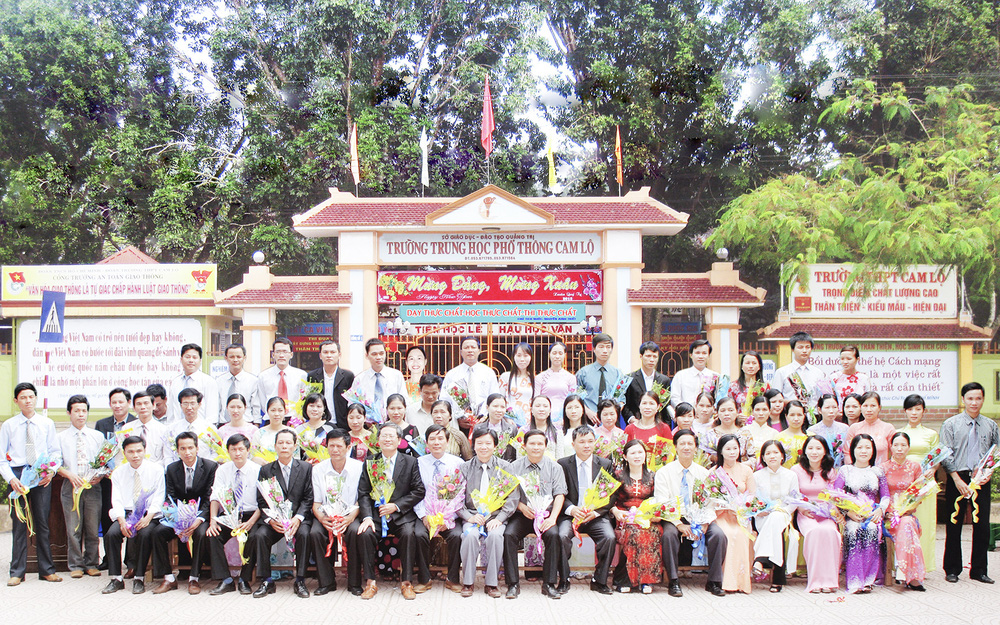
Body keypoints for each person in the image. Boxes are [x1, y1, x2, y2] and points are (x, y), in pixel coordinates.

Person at [654, 429, 727, 597]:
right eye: (682, 444)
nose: (686, 447)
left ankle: (714, 581)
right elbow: (662, 502)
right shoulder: (664, 473)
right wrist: (679, 524)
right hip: (674, 517)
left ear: (695, 448)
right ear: (675, 447)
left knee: (718, 535)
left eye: (690, 444)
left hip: (700, 517)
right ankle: (673, 581)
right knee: (668, 535)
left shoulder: (704, 473)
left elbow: (710, 502)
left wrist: (705, 522)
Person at [1, 382, 61, 586]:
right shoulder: (9, 425)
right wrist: (11, 479)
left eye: (30, 397)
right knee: (19, 524)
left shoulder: (46, 423)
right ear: (16, 401)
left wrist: (51, 471)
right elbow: (1, 458)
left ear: (35, 398)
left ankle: (47, 570)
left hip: (40, 475)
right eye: (23, 397)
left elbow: (55, 452)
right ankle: (17, 572)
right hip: (18, 476)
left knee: (43, 523)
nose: (27, 401)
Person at [357, 423, 427, 600]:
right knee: (365, 533)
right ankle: (370, 582)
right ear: (378, 440)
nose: (387, 439)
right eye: (384, 436)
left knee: (409, 534)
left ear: (399, 440)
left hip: (401, 515)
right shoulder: (371, 461)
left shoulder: (410, 462)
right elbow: (363, 492)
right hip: (377, 515)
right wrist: (367, 517)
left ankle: (407, 582)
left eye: (391, 436)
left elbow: (418, 490)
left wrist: (396, 506)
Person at [940, 381, 999, 584]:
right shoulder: (951, 424)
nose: (974, 402)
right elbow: (945, 454)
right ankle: (952, 568)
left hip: (981, 479)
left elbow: (995, 452)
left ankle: (979, 570)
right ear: (963, 399)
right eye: (970, 398)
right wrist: (956, 479)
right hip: (958, 477)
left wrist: (989, 472)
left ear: (983, 400)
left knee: (981, 525)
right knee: (954, 523)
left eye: (978, 398)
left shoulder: (991, 425)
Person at [248, 428, 313, 598]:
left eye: (288, 443)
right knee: (260, 535)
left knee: (305, 534)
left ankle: (300, 580)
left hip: (298, 519)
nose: (284, 446)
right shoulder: (266, 470)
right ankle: (266, 580)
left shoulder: (306, 468)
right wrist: (271, 520)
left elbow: (308, 498)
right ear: (275, 446)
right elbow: (262, 500)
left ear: (295, 446)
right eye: (281, 443)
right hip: (275, 521)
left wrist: (298, 518)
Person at [150, 432, 218, 594]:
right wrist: (177, 523)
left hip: (200, 517)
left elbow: (209, 498)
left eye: (190, 448)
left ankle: (194, 578)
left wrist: (198, 520)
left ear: (197, 448)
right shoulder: (172, 469)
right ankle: (169, 578)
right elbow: (170, 497)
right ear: (177, 451)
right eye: (183, 449)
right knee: (158, 532)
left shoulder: (210, 467)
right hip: (178, 517)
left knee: (201, 534)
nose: (187, 452)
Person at [504, 428, 567, 599]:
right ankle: (513, 583)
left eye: (540, 444)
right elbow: (507, 494)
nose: (536, 447)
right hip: (523, 514)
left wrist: (553, 518)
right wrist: (521, 507)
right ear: (524, 446)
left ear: (546, 446)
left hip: (546, 515)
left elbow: (559, 494)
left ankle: (549, 583)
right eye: (532, 443)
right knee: (509, 535)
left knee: (553, 535)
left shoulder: (555, 467)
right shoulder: (514, 467)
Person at [457, 425, 517, 598]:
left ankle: (492, 583)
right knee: (469, 536)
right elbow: (456, 498)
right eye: (480, 443)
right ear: (474, 445)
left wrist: (500, 518)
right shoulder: (464, 467)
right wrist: (469, 517)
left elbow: (513, 497)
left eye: (488, 443)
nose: (484, 447)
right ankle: (468, 582)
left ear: (495, 446)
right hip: (472, 515)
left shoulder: (505, 467)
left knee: (495, 537)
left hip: (495, 516)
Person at [556, 425, 616, 595]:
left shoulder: (605, 464)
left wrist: (595, 512)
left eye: (590, 441)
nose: (586, 445)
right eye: (582, 442)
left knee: (609, 537)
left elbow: (611, 494)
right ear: (573, 444)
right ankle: (564, 579)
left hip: (595, 515)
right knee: (561, 536)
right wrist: (571, 509)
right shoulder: (563, 464)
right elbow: (558, 492)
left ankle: (599, 580)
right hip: (570, 515)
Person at [102, 435, 165, 594]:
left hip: (149, 514)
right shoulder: (118, 472)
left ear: (144, 451)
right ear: (124, 453)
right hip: (127, 514)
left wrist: (148, 517)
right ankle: (116, 578)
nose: (135, 455)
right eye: (130, 452)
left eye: (138, 451)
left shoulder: (156, 470)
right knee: (111, 534)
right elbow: (116, 499)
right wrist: (121, 521)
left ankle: (139, 578)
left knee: (144, 534)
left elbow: (159, 497)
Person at [308, 428, 364, 596]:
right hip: (326, 514)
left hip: (351, 514)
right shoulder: (318, 469)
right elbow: (316, 502)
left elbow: (362, 498)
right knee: (315, 533)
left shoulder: (359, 467)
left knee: (355, 531)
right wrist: (322, 518)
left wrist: (350, 517)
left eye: (339, 446)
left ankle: (354, 582)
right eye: (331, 446)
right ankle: (326, 582)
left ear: (348, 447)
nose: (335, 450)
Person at [56, 395, 105, 579]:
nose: (81, 414)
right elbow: (55, 464)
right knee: (73, 528)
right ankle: (75, 564)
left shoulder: (97, 436)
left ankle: (92, 563)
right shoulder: (60, 437)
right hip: (71, 487)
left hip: (92, 487)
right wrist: (68, 474)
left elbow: (104, 462)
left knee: (92, 528)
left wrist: (100, 476)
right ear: (69, 413)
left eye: (84, 411)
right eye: (76, 411)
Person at [206, 433, 260, 595]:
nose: (237, 453)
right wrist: (213, 521)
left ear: (248, 450)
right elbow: (215, 496)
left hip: (252, 515)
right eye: (233, 449)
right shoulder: (222, 470)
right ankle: (226, 580)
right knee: (212, 534)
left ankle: (244, 579)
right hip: (229, 515)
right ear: (228, 451)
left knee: (255, 536)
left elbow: (264, 502)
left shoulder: (257, 470)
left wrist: (251, 522)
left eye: (241, 449)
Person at [413, 424, 465, 594]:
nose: (436, 442)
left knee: (457, 536)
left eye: (440, 438)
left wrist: (448, 517)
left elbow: (461, 493)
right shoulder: (418, 463)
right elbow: (415, 492)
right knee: (419, 535)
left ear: (447, 441)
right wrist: (424, 516)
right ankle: (424, 579)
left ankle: (453, 578)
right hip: (426, 514)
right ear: (427, 443)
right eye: (432, 439)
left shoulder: (458, 463)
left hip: (450, 516)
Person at [834, 433, 888, 593]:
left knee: (871, 530)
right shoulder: (845, 470)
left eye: (867, 447)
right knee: (853, 530)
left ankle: (868, 580)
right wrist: (847, 512)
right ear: (853, 450)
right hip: (852, 515)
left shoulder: (878, 471)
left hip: (872, 514)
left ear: (873, 451)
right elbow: (836, 495)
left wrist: (880, 509)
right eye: (859, 447)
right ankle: (854, 581)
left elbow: (885, 496)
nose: (863, 451)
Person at [611, 439, 661, 594]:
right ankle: (624, 579)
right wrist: (616, 511)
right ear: (625, 456)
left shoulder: (653, 476)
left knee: (652, 532)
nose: (637, 456)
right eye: (633, 453)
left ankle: (646, 580)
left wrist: (652, 515)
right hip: (624, 516)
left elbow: (658, 500)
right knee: (633, 532)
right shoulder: (618, 475)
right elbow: (608, 500)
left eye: (640, 452)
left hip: (647, 517)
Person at [95, 387, 138, 566]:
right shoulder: (102, 424)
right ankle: (109, 558)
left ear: (128, 403)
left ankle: (130, 559)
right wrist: (104, 469)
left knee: (131, 516)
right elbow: (100, 452)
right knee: (108, 516)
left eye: (121, 402)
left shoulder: (135, 423)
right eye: (114, 402)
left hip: (130, 478)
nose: (117, 405)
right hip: (108, 479)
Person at [792, 435, 841, 593]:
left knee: (831, 532)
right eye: (811, 448)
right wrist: (801, 508)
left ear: (825, 451)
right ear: (804, 451)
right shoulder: (796, 470)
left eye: (818, 448)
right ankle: (815, 581)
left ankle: (829, 581)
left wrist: (831, 510)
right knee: (815, 532)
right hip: (805, 513)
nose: (814, 452)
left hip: (826, 514)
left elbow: (834, 496)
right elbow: (793, 494)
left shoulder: (831, 472)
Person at [880, 432, 926, 590]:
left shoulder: (915, 467)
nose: (899, 449)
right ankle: (908, 575)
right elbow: (880, 494)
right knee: (906, 525)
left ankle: (904, 571)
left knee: (907, 523)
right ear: (890, 447)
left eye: (903, 445)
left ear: (909, 447)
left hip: (907, 513)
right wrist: (888, 512)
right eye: (896, 445)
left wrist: (908, 508)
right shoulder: (883, 468)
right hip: (888, 515)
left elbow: (919, 493)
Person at [899, 393, 939, 571]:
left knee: (925, 523)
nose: (914, 413)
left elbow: (937, 458)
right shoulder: (899, 433)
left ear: (924, 411)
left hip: (924, 482)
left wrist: (933, 470)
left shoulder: (931, 434)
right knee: (904, 523)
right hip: (905, 483)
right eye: (910, 409)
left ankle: (924, 565)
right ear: (905, 411)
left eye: (918, 409)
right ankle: (904, 564)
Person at [712, 434, 755, 593]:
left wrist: (743, 507)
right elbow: (709, 499)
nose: (732, 452)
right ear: (721, 451)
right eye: (728, 449)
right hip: (721, 515)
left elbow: (753, 495)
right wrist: (724, 506)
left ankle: (741, 582)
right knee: (729, 535)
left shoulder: (746, 470)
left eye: (735, 448)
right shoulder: (715, 472)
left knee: (742, 535)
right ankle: (727, 582)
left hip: (741, 516)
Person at [752, 440, 797, 592]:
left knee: (777, 518)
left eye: (775, 452)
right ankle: (777, 579)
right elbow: (752, 500)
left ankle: (760, 560)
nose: (772, 456)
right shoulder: (757, 476)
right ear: (763, 457)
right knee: (775, 528)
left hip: (783, 515)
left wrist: (783, 511)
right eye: (768, 453)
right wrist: (758, 511)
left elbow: (794, 501)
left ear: (782, 456)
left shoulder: (791, 475)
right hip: (763, 517)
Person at [442, 337, 501, 433]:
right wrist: (456, 418)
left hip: (484, 423)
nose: (470, 350)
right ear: (461, 352)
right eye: (466, 347)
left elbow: (495, 398)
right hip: (458, 425)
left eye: (473, 347)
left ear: (479, 350)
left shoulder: (488, 373)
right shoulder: (452, 375)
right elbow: (445, 401)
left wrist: (486, 417)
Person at [772, 332, 828, 420]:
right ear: (793, 349)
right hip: (791, 417)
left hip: (814, 418)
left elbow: (821, 398)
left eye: (807, 347)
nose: (804, 350)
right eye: (800, 347)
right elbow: (774, 399)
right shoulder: (782, 372)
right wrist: (793, 402)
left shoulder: (818, 373)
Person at [352, 338, 407, 421]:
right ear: (366, 355)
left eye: (381, 353)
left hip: (393, 422)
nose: (378, 357)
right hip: (367, 423)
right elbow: (353, 404)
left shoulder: (396, 375)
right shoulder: (359, 379)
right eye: (374, 354)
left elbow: (404, 400)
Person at [307, 339, 355, 430]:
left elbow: (352, 401)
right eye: (325, 352)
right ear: (320, 356)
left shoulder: (348, 376)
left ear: (339, 355)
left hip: (342, 424)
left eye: (332, 352)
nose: (329, 355)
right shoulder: (312, 376)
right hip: (319, 423)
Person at [256, 338, 309, 420]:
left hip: (294, 419)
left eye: (285, 352)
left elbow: (304, 399)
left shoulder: (301, 375)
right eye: (278, 352)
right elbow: (262, 401)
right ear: (273, 354)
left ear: (291, 354)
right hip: (271, 418)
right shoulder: (263, 376)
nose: (281, 355)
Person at [166, 343, 220, 423]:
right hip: (178, 428)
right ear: (181, 359)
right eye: (187, 357)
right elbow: (171, 412)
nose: (191, 360)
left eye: (194, 357)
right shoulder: (175, 382)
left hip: (200, 428)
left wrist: (206, 429)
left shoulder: (208, 381)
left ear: (200, 360)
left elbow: (212, 413)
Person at [575, 333, 622, 424]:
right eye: (601, 347)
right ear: (594, 349)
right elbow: (577, 397)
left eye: (608, 347)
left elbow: (621, 398)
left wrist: (611, 413)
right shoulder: (583, 373)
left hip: (611, 421)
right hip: (588, 419)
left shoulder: (617, 374)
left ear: (612, 350)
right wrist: (587, 412)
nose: (605, 351)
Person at [622, 341, 670, 427]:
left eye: (655, 356)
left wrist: (665, 426)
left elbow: (666, 407)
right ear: (641, 356)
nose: (651, 360)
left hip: (657, 425)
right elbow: (625, 404)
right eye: (648, 356)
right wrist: (632, 419)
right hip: (636, 423)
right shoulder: (630, 378)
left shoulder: (664, 380)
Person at [119, 390, 170, 466]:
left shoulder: (163, 430)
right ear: (134, 408)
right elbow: (120, 455)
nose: (143, 407)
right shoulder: (126, 428)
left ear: (153, 405)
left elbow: (167, 457)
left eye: (146, 403)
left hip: (156, 470)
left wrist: (151, 469)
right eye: (139, 404)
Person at [845, 391, 895, 466]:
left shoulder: (888, 428)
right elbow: (847, 453)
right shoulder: (854, 428)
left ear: (879, 407)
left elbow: (895, 453)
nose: (869, 409)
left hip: (881, 470)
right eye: (865, 406)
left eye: (873, 406)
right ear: (861, 407)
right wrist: (853, 469)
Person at [216, 343, 260, 425]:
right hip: (224, 424)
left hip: (246, 424)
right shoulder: (218, 381)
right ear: (226, 358)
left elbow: (256, 406)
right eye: (231, 357)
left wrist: (256, 424)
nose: (235, 360)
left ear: (244, 358)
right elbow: (216, 406)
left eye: (238, 357)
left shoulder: (253, 381)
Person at [534, 340, 578, 424]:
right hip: (544, 417)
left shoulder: (571, 378)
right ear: (549, 354)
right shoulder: (540, 377)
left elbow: (572, 401)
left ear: (565, 355)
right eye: (554, 353)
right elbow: (536, 400)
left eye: (560, 353)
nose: (557, 356)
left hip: (564, 418)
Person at [703, 397, 755, 465]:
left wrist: (737, 467)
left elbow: (753, 458)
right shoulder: (710, 435)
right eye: (723, 410)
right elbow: (703, 459)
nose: (726, 413)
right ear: (717, 413)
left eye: (730, 410)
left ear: (737, 412)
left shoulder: (745, 433)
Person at [167, 388, 215, 461]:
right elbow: (168, 455)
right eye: (185, 404)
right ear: (181, 405)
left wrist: (207, 466)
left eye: (192, 403)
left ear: (199, 405)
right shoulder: (172, 429)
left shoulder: (210, 428)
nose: (189, 407)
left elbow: (215, 453)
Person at [669, 339, 718, 408]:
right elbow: (674, 398)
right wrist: (686, 410)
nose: (701, 356)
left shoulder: (715, 377)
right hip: (686, 413)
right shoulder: (680, 376)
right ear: (691, 355)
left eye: (704, 353)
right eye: (697, 353)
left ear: (709, 356)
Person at [806, 393, 850, 467]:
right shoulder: (812, 430)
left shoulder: (845, 428)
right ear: (819, 410)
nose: (831, 411)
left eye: (834, 407)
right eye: (827, 407)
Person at [520, 395, 567, 460]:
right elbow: (519, 456)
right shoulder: (523, 431)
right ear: (531, 410)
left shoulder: (557, 432)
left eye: (545, 406)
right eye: (538, 406)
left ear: (550, 410)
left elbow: (560, 457)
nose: (541, 409)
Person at [499, 342, 535, 426]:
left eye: (525, 356)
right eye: (519, 355)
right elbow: (500, 400)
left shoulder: (534, 379)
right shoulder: (505, 377)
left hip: (529, 421)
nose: (522, 359)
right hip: (510, 421)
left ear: (531, 357)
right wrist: (507, 418)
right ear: (514, 357)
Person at [251, 397, 293, 465]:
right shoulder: (259, 433)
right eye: (273, 410)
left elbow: (296, 457)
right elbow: (253, 457)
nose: (276, 414)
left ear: (285, 412)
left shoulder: (291, 432)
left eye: (280, 410)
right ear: (267, 412)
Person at [483, 393, 519, 462]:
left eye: (502, 407)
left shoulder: (511, 429)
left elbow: (514, 453)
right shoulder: (479, 428)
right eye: (495, 406)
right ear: (487, 407)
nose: (499, 410)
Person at [385, 393, 422, 457]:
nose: (396, 412)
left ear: (405, 408)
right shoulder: (379, 428)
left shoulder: (412, 430)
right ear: (387, 409)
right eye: (392, 408)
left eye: (399, 408)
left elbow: (417, 455)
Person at [775, 400, 808, 469]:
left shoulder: (810, 437)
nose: (796, 419)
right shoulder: (779, 438)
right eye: (792, 415)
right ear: (786, 416)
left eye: (799, 415)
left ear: (804, 416)